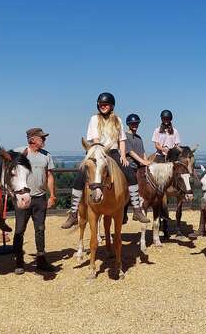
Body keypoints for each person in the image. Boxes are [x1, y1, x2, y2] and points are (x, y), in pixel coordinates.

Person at [60, 93, 150, 229]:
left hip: (113, 152)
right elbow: (95, 140)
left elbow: (122, 140)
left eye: (106, 104)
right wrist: (99, 153)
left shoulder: (117, 120)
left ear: (112, 106)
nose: (103, 106)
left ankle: (137, 209)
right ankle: (73, 214)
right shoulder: (94, 119)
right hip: (97, 151)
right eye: (101, 104)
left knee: (131, 174)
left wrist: (123, 156)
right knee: (79, 176)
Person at [13, 128, 57, 274]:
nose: (44, 140)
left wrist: (52, 195)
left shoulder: (46, 155)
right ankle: (19, 261)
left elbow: (49, 176)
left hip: (40, 198)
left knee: (40, 229)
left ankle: (41, 260)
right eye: (41, 138)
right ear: (32, 139)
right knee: (19, 229)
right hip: (23, 198)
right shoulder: (19, 152)